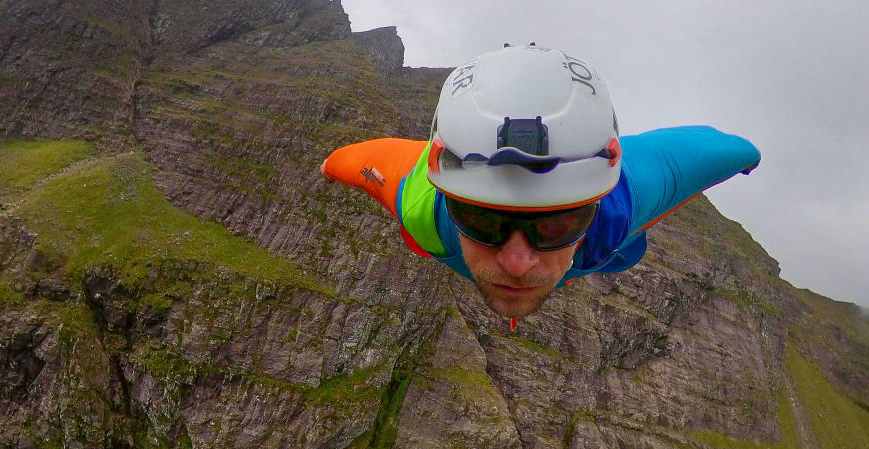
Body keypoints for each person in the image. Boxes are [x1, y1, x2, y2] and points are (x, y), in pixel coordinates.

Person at [320, 45, 760, 328]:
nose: (516, 263)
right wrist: (747, 156)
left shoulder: (619, 206)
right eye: (481, 216)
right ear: (447, 195)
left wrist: (331, 165)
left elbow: (711, 153)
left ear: (594, 202)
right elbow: (359, 163)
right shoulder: (421, 203)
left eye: (557, 222)